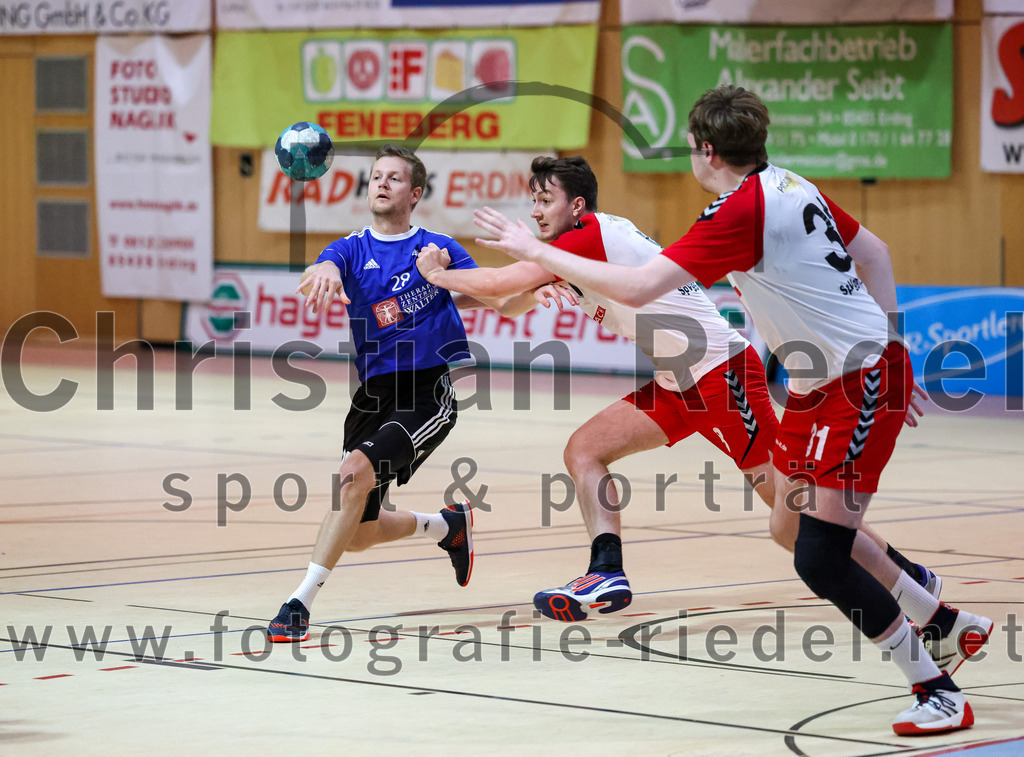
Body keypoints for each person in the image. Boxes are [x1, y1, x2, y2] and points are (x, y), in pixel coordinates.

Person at [471, 90, 993, 736]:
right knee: (789, 524)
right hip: (812, 386)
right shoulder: (791, 184)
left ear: (707, 151)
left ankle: (936, 688)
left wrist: (536, 249)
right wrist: (894, 339)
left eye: (691, 148)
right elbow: (877, 253)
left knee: (818, 555)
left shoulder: (736, 212)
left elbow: (636, 287)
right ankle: (943, 621)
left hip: (854, 383)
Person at [417, 155, 941, 627]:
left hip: (722, 372)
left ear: (577, 205)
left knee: (793, 509)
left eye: (545, 198)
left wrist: (434, 274)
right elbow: (507, 303)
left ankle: (911, 577)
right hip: (677, 385)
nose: (535, 209)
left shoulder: (588, 235)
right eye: (532, 199)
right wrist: (442, 290)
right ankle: (606, 573)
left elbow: (493, 286)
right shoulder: (565, 253)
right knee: (584, 450)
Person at [266, 144, 542, 643]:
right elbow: (321, 270)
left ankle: (298, 603)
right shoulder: (349, 249)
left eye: (394, 178)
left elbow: (499, 298)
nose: (382, 183)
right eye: (376, 176)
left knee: (353, 476)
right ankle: (446, 526)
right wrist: (324, 271)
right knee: (359, 533)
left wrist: (540, 287)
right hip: (370, 396)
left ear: (414, 193)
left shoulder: (436, 247)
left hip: (425, 389)